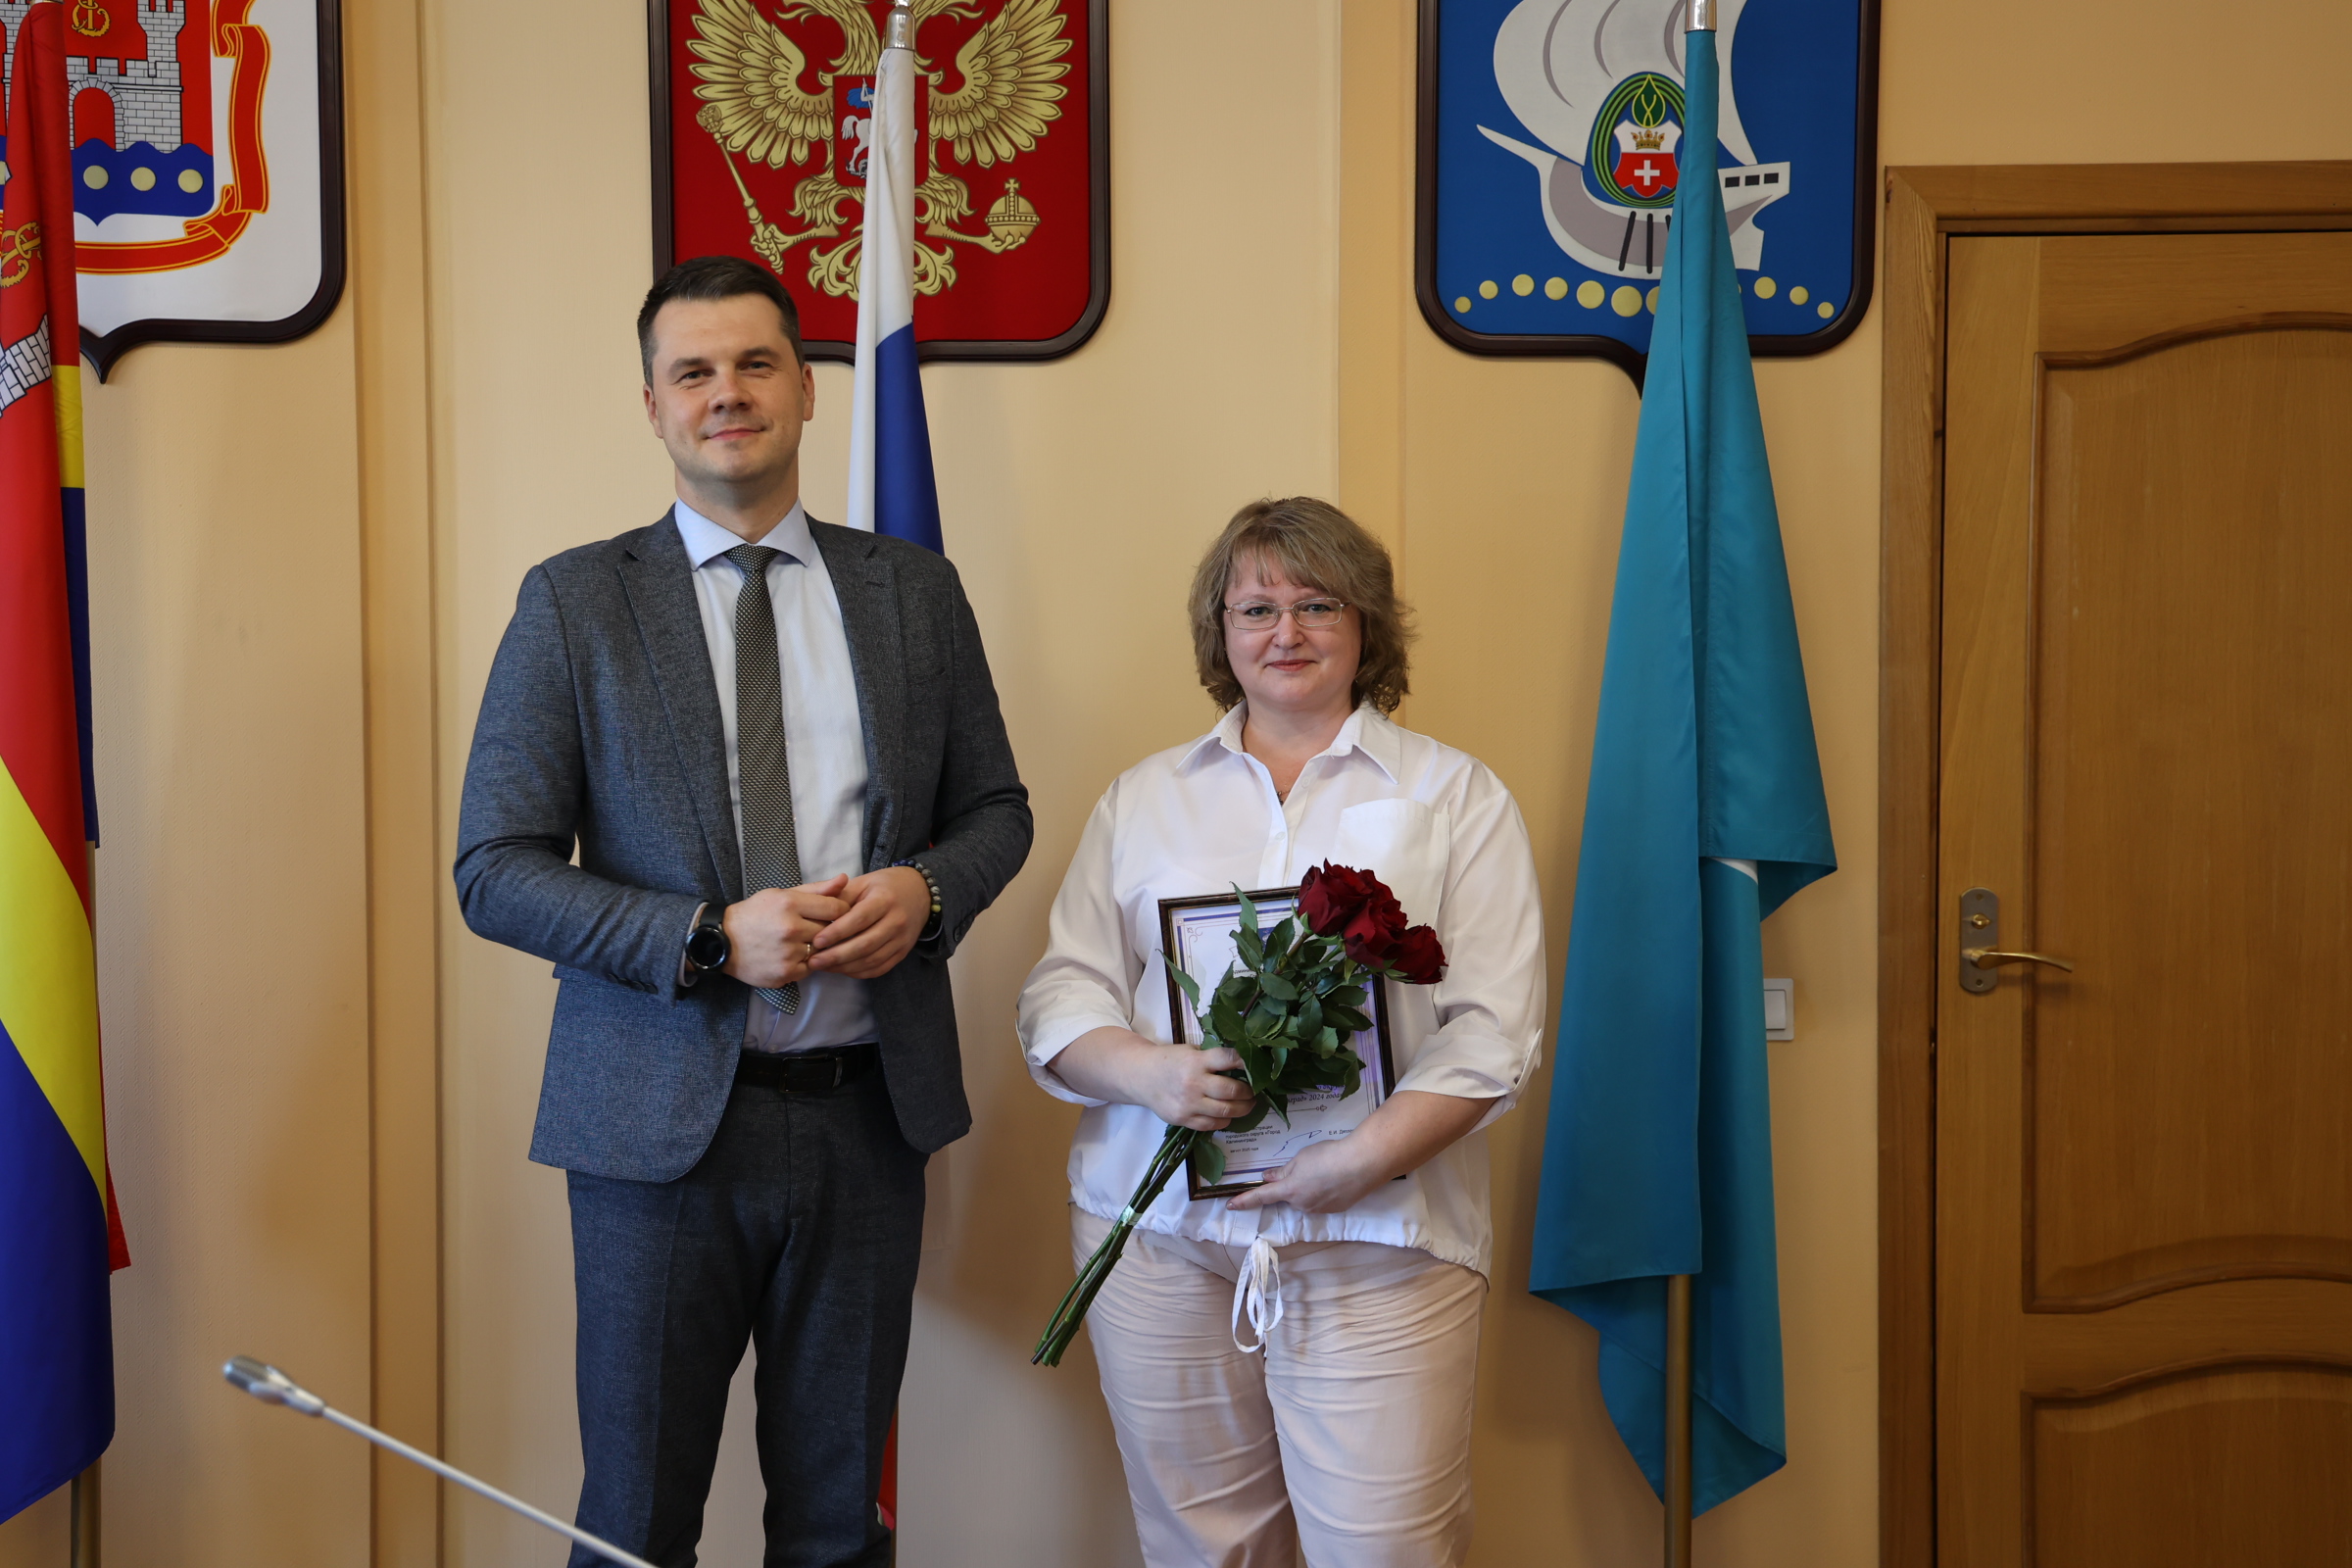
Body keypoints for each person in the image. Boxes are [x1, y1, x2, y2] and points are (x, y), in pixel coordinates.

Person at [454, 255, 1031, 1568]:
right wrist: (709, 936)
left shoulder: (913, 593)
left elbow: (997, 808)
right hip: (653, 1134)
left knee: (838, 1526)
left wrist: (929, 890)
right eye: (694, 371)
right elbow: (495, 867)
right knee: (636, 1522)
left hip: (867, 1122)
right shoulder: (576, 601)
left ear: (809, 390)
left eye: (756, 363)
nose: (728, 392)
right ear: (653, 405)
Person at [1017, 498, 1547, 1567]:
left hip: (1379, 1242)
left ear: (1366, 624)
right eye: (1256, 608)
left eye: (1318, 604)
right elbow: (1063, 991)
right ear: (1220, 631)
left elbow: (1495, 1030)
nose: (1286, 631)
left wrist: (1361, 1160)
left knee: (1386, 1551)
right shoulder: (1144, 799)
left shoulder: (1456, 794)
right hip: (1159, 1238)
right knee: (1202, 1547)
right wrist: (1155, 1076)